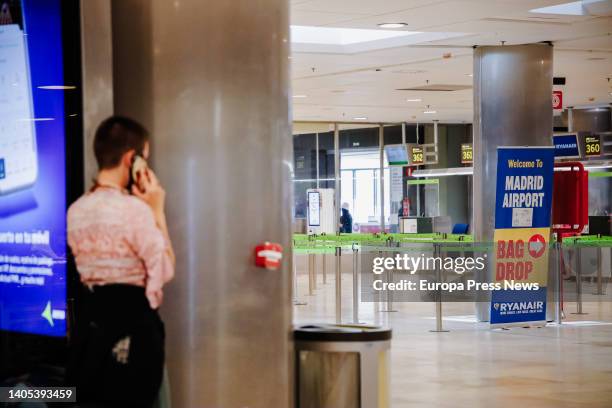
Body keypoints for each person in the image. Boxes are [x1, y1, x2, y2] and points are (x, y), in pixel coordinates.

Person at [67, 116, 175, 407]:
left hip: (94, 333)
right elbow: (164, 269)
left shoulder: (76, 211)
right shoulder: (135, 211)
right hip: (135, 335)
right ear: (132, 159)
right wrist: (157, 212)